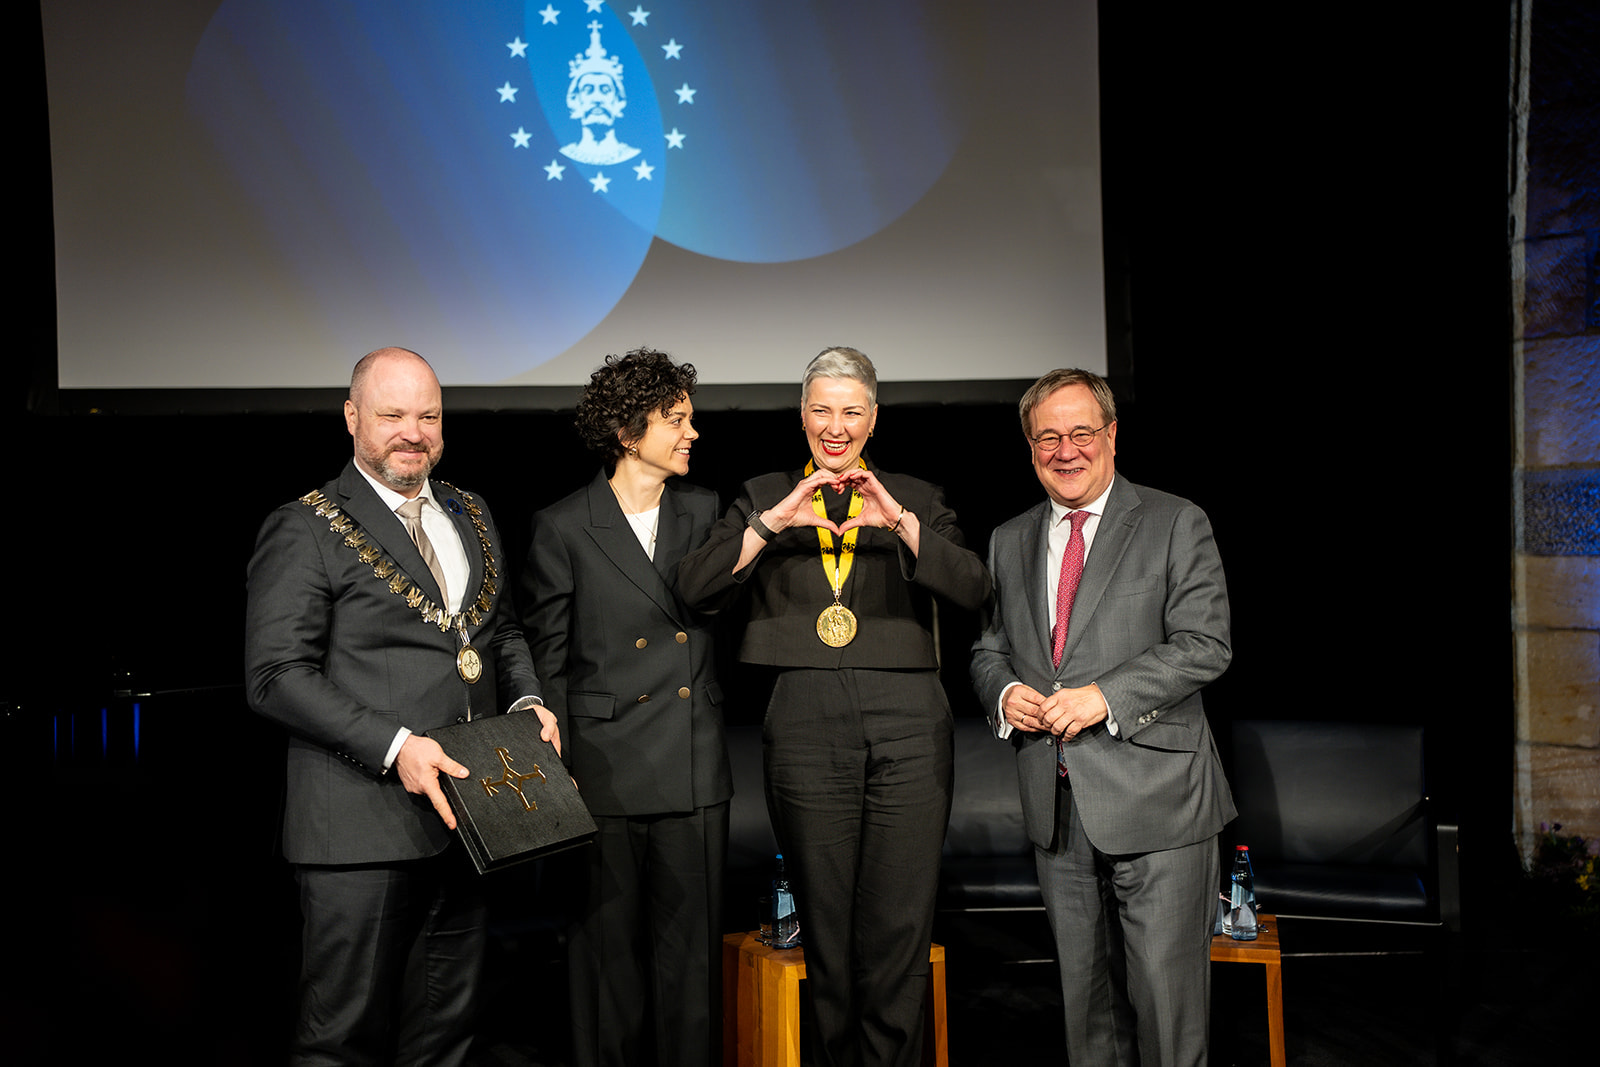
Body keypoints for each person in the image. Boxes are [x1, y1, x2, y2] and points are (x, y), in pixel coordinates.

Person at [245, 346, 560, 1067]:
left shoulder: (471, 511)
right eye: (392, 414)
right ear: (353, 417)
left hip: (468, 823)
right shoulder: (305, 525)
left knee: (446, 1041)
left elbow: (499, 631)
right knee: (340, 1042)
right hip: (357, 833)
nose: (412, 431)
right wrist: (397, 745)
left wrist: (528, 700)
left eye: (428, 415)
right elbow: (274, 674)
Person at [678, 346, 990, 1067]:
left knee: (899, 926)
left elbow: (973, 586)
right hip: (805, 716)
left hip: (910, 719)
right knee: (825, 925)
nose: (836, 425)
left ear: (873, 419)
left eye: (852, 410)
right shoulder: (763, 491)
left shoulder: (916, 492)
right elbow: (693, 588)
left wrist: (904, 522)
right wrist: (770, 522)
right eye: (823, 408)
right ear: (802, 415)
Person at [970, 368, 1235, 1067]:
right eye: (1048, 436)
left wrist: (1105, 695)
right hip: (1056, 809)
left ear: (1112, 435)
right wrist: (1004, 694)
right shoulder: (1008, 538)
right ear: (1030, 447)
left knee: (1169, 1015)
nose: (1066, 449)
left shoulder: (1176, 521)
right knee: (1088, 1019)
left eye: (1082, 431)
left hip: (1161, 804)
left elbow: (1206, 644)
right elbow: (988, 649)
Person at [519, 349, 731, 1067]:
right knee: (607, 966)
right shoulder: (563, 526)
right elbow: (548, 660)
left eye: (690, 418)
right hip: (602, 774)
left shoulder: (706, 513)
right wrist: (554, 771)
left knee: (691, 967)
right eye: (676, 420)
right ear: (626, 430)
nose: (691, 433)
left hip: (692, 767)